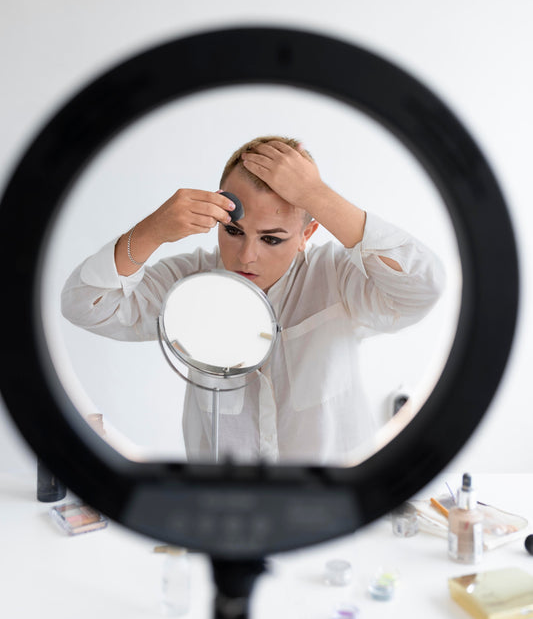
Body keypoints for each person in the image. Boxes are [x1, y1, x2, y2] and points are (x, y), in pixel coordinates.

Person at [61, 136, 445, 465]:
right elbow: (84, 304)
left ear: (306, 233)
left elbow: (422, 285)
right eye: (232, 231)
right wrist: (151, 231)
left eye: (272, 238)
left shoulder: (338, 278)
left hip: (334, 505)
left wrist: (316, 195)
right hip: (222, 513)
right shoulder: (188, 283)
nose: (246, 256)